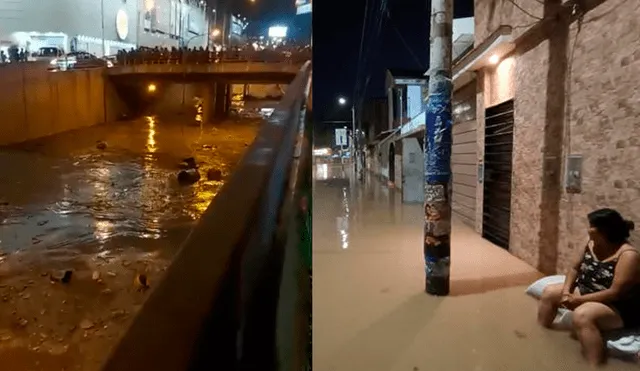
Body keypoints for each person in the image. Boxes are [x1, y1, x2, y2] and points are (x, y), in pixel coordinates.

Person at [538, 208, 640, 366]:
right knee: (549, 293)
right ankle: (541, 335)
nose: (588, 229)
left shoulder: (628, 255)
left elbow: (615, 293)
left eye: (591, 226)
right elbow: (574, 268)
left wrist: (578, 300)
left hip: (616, 306)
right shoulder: (590, 242)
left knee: (582, 315)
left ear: (604, 231)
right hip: (587, 290)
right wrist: (566, 293)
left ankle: (595, 364)